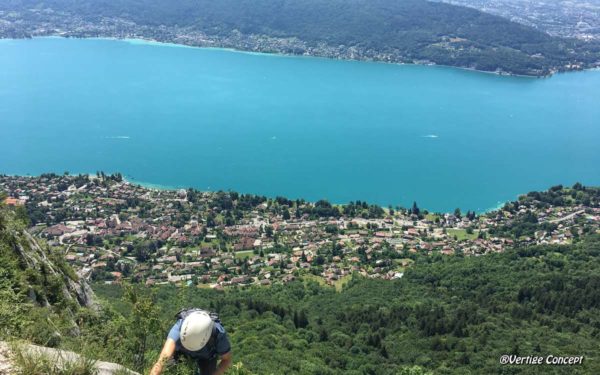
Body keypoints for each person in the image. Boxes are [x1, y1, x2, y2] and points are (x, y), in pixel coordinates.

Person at [150, 309, 232, 375]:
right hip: (180, 352)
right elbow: (162, 361)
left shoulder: (218, 335)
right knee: (169, 367)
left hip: (206, 356)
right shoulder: (179, 328)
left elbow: (226, 360)